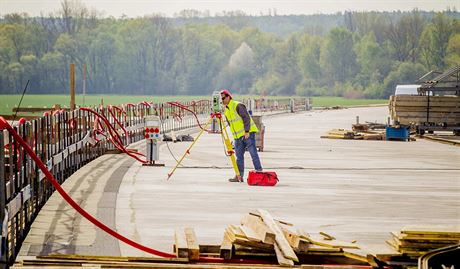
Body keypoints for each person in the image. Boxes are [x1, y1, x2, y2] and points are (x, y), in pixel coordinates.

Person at [220, 89, 263, 182]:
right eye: (221, 99)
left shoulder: (237, 105)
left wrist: (247, 131)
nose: (222, 101)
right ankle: (239, 176)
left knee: (253, 153)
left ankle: (259, 172)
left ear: (228, 97)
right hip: (237, 137)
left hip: (247, 134)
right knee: (239, 157)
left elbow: (246, 118)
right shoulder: (226, 111)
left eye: (223, 98)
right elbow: (232, 125)